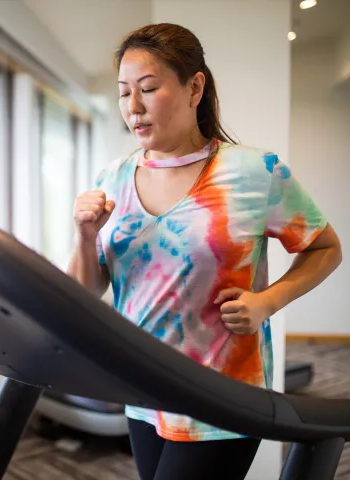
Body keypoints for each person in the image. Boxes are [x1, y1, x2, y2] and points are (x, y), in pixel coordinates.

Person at [67, 23, 342, 480]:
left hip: (222, 398)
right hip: (142, 392)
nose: (133, 108)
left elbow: (326, 249)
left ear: (195, 87)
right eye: (123, 93)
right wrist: (83, 235)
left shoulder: (255, 171)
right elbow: (83, 292)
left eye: (149, 89)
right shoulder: (111, 178)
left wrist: (267, 302)